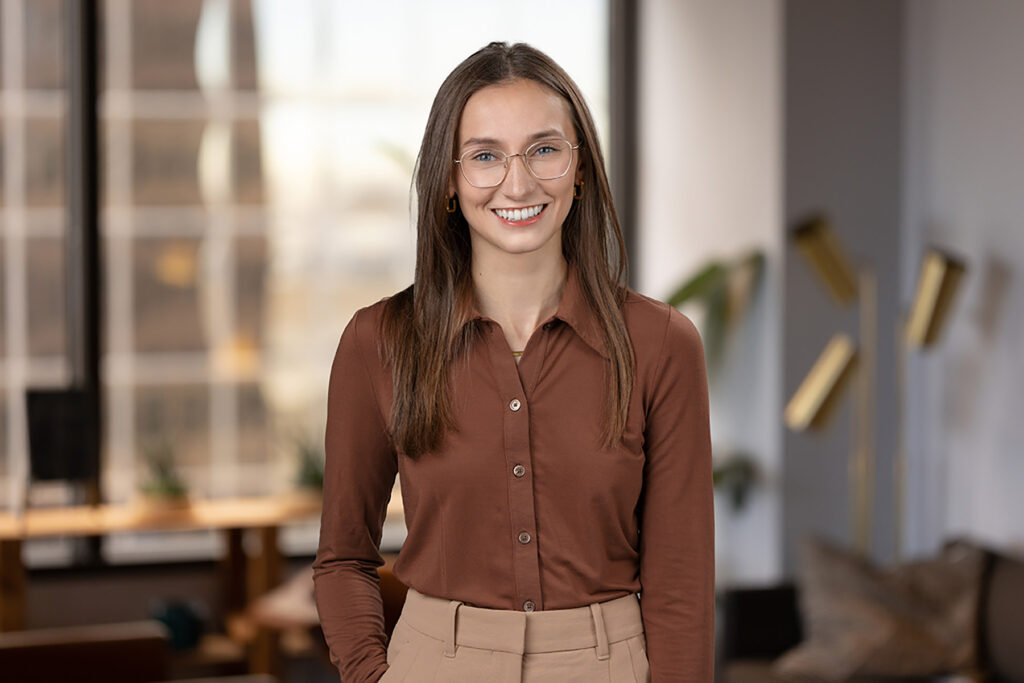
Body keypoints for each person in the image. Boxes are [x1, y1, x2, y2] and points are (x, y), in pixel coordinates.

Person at [312, 41, 714, 682]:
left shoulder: (661, 343)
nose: (518, 182)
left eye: (545, 149)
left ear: (580, 167)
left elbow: (681, 581)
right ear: (449, 178)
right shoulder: (378, 342)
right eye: (485, 156)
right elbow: (343, 558)